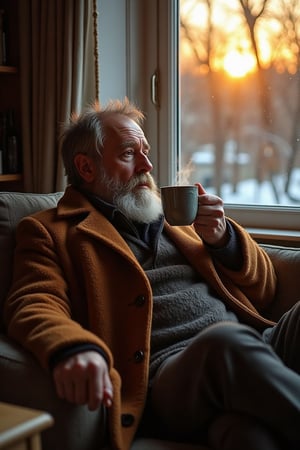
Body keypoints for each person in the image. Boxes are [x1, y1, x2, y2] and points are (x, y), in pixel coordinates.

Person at [4, 98, 300, 450]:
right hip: (165, 377)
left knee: (244, 434)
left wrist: (225, 239)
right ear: (86, 167)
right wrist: (71, 348)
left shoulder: (177, 219)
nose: (147, 164)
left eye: (145, 151)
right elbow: (33, 300)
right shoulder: (50, 231)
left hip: (250, 351)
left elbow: (266, 291)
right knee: (225, 343)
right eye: (129, 153)